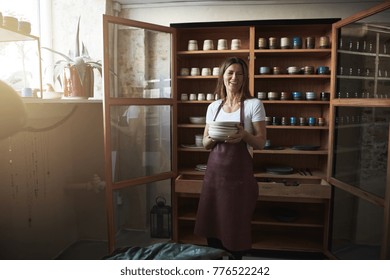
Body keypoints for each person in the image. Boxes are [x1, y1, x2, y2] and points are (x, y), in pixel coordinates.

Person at [194, 57, 267, 259]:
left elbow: (261, 142)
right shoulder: (213, 107)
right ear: (223, 76)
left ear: (245, 78)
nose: (235, 77)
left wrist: (244, 135)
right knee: (213, 231)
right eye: (230, 73)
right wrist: (216, 137)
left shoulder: (254, 104)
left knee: (236, 231)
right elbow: (205, 143)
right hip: (214, 178)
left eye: (240, 73)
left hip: (239, 180)